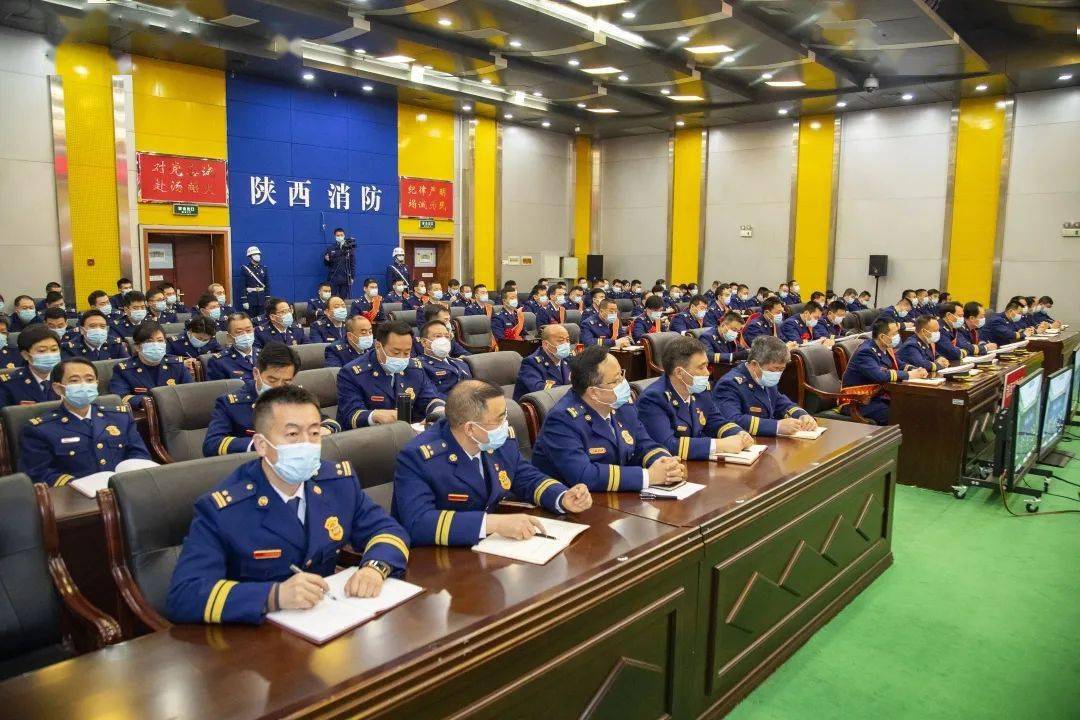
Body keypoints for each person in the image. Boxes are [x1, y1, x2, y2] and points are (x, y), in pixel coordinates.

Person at [166, 385, 409, 625]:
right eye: (292, 435)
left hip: (329, 619)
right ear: (261, 445)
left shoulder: (337, 483)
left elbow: (387, 530)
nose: (307, 444)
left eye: (314, 433)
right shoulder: (224, 509)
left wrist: (374, 567)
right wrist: (274, 596)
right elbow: (184, 595)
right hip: (257, 633)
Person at [393, 380, 591, 546]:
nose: (505, 424)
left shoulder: (497, 441)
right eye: (499, 419)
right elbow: (418, 523)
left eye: (505, 415)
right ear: (470, 429)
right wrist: (492, 524)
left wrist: (562, 497)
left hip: (493, 548)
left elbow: (526, 477)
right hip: (439, 558)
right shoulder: (419, 457)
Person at [532, 345, 684, 493]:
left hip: (618, 497)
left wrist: (665, 463)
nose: (624, 383)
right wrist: (648, 476)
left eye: (621, 375)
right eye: (615, 381)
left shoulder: (622, 406)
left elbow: (643, 443)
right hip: (577, 503)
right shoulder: (561, 421)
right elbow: (584, 475)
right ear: (593, 392)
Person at [19, 358, 151, 485]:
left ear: (96, 384)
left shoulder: (120, 417)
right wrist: (77, 484)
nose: (84, 385)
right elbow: (39, 473)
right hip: (76, 495)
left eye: (89, 380)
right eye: (74, 381)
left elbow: (139, 454)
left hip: (124, 488)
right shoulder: (40, 429)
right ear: (58, 388)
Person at [204, 343, 338, 457]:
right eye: (272, 380)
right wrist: (263, 444)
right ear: (256, 374)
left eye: (286, 381)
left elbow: (329, 422)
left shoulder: (296, 397)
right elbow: (212, 444)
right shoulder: (230, 404)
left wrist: (324, 429)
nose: (278, 387)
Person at [637, 336, 753, 460]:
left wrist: (738, 433)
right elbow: (668, 445)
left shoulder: (699, 390)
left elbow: (715, 421)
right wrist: (719, 445)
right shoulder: (653, 398)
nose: (707, 373)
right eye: (701, 367)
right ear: (679, 373)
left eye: (706, 365)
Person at [336, 320, 446, 429]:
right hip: (370, 434)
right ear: (378, 346)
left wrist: (438, 411)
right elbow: (349, 415)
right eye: (396, 352)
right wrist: (374, 416)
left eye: (407, 352)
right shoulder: (352, 374)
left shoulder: (414, 368)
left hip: (406, 431)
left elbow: (429, 398)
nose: (401, 357)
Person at [713, 336, 817, 436]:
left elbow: (780, 402)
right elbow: (732, 420)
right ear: (754, 364)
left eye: (781, 369)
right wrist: (776, 426)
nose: (777, 374)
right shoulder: (729, 384)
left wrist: (801, 415)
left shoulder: (764, 378)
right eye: (775, 369)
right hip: (749, 441)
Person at [840, 318, 928, 425]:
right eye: (894, 334)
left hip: (878, 397)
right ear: (882, 337)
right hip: (859, 402)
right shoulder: (866, 352)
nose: (898, 336)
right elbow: (880, 375)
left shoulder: (885, 347)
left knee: (915, 405)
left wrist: (915, 370)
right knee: (899, 414)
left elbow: (900, 365)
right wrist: (909, 375)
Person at [109, 321, 193, 409]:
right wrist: (153, 401)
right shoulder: (123, 370)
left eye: (160, 341)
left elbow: (190, 391)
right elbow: (121, 398)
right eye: (149, 341)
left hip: (176, 410)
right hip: (145, 413)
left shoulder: (177, 364)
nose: (156, 345)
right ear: (137, 347)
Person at [0, 325, 62, 407]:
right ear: (26, 355)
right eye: (42, 351)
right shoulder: (8, 384)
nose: (50, 355)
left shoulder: (67, 378)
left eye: (54, 349)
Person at [514, 324, 573, 400]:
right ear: (546, 344)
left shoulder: (569, 359)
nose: (565, 344)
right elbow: (539, 389)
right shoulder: (531, 363)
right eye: (561, 341)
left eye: (567, 340)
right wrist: (574, 390)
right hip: (539, 404)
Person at [417, 320, 472, 396]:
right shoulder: (419, 366)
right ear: (424, 342)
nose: (444, 340)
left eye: (447, 336)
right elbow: (431, 396)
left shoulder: (460, 362)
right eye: (438, 336)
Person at [206, 313, 258, 382]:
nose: (245, 335)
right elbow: (217, 388)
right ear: (229, 337)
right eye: (239, 332)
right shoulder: (218, 362)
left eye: (248, 330)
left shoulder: (265, 355)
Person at [61, 309, 130, 361]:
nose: (98, 330)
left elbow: (127, 367)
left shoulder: (115, 344)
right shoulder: (70, 349)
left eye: (102, 326)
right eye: (92, 326)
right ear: (82, 330)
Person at [323, 227, 355, 300]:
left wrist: (352, 277)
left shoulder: (349, 248)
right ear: (335, 236)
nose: (340, 237)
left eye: (341, 235)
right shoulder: (330, 248)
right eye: (338, 235)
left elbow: (352, 264)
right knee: (331, 299)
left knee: (343, 299)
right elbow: (326, 264)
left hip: (345, 278)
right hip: (333, 278)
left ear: (344, 235)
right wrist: (326, 260)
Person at [240, 246, 270, 317]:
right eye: (255, 254)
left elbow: (267, 284)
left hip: (262, 299)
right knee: (251, 319)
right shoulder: (245, 269)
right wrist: (244, 300)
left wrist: (267, 299)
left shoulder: (264, 268)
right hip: (251, 299)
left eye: (258, 254)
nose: (258, 256)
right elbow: (242, 286)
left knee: (262, 319)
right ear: (250, 257)